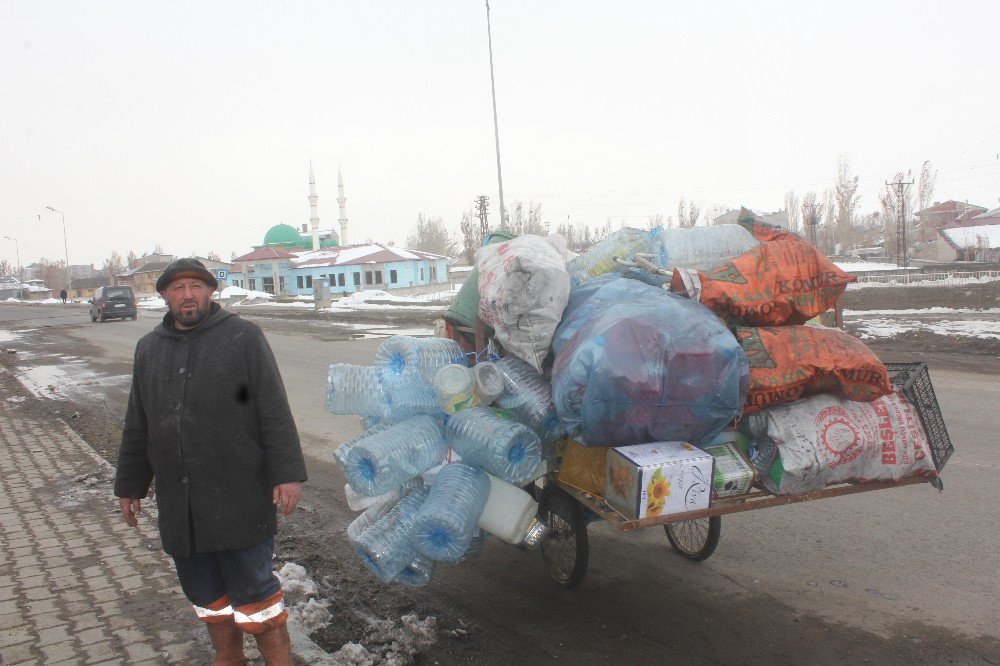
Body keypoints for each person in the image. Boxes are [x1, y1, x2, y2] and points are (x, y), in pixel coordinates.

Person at [114, 258, 307, 665]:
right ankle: (228, 660)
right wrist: (131, 485)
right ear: (164, 295)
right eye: (178, 288)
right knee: (209, 601)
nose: (188, 295)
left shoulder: (243, 338)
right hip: (181, 509)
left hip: (240, 501)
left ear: (210, 292)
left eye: (196, 286)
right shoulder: (149, 349)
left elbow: (273, 409)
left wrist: (287, 474)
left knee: (258, 601)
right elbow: (138, 422)